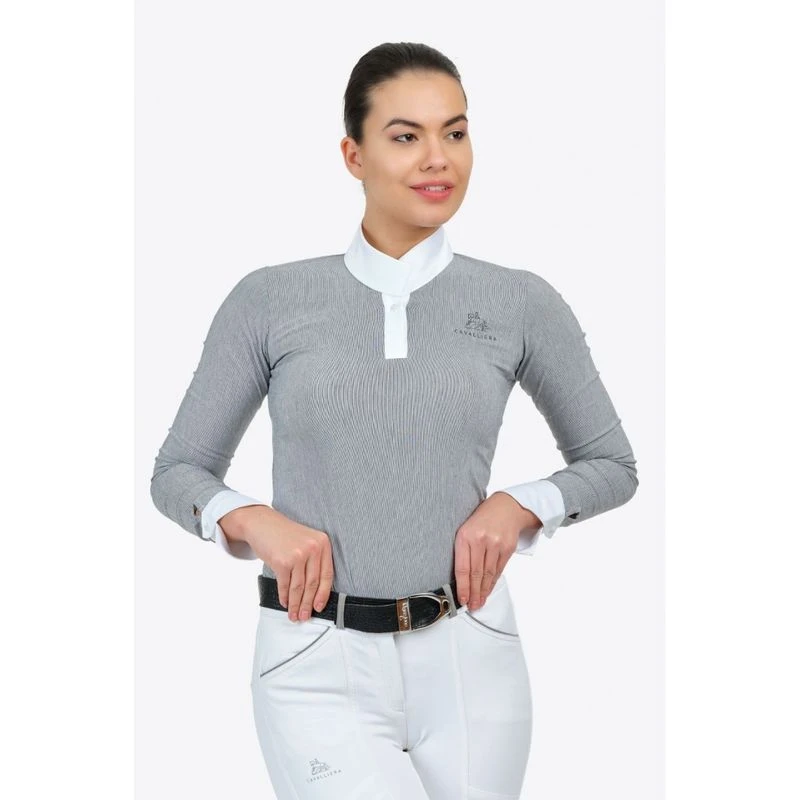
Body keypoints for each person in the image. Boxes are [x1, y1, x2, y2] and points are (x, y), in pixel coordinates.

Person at [150, 41, 638, 800]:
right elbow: (177, 471)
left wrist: (520, 505)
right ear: (354, 155)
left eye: (455, 132)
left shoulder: (519, 302)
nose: (438, 158)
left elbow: (612, 464)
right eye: (406, 136)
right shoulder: (271, 300)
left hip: (473, 657)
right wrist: (252, 520)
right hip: (314, 658)